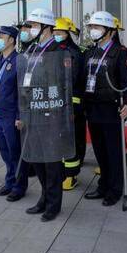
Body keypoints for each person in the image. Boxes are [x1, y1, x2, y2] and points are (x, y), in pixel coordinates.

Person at [17, 7, 65, 221]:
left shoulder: (57, 50)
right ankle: (44, 196)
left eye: (34, 25)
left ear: (46, 27)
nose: (30, 29)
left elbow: (61, 84)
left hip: (50, 114)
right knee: (37, 159)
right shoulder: (33, 50)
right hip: (33, 113)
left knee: (51, 162)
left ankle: (54, 204)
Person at [82, 11, 127, 206]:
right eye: (92, 27)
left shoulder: (121, 52)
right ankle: (103, 185)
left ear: (110, 31)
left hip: (111, 109)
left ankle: (115, 189)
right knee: (100, 151)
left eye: (97, 27)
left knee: (114, 152)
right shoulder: (91, 52)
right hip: (93, 108)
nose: (93, 31)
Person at [0, 26, 28, 201]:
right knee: (4, 150)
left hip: (11, 114)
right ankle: (10, 181)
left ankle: (19, 186)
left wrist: (20, 116)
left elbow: (23, 91)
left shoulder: (19, 60)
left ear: (12, 40)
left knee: (15, 151)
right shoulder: (1, 59)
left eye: (1, 35)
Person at [53, 17, 86, 191]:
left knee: (71, 139)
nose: (56, 35)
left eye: (59, 32)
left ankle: (71, 176)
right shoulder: (57, 50)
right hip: (59, 101)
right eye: (55, 32)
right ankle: (66, 170)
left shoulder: (72, 53)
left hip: (71, 103)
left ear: (67, 34)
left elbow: (71, 79)